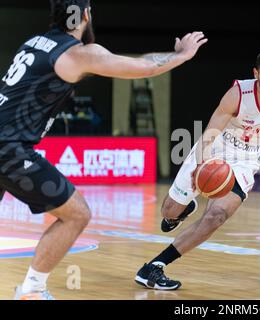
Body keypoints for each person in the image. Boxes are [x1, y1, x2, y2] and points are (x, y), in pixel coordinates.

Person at [0, 0, 207, 300]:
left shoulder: (33, 43)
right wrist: (182, 55)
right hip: (10, 149)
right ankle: (32, 291)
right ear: (85, 16)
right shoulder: (79, 53)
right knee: (76, 214)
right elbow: (144, 67)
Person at [135, 50, 260, 290]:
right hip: (215, 149)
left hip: (245, 162)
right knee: (169, 212)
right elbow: (211, 130)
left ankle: (154, 267)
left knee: (217, 216)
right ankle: (182, 211)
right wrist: (202, 164)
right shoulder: (239, 94)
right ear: (256, 74)